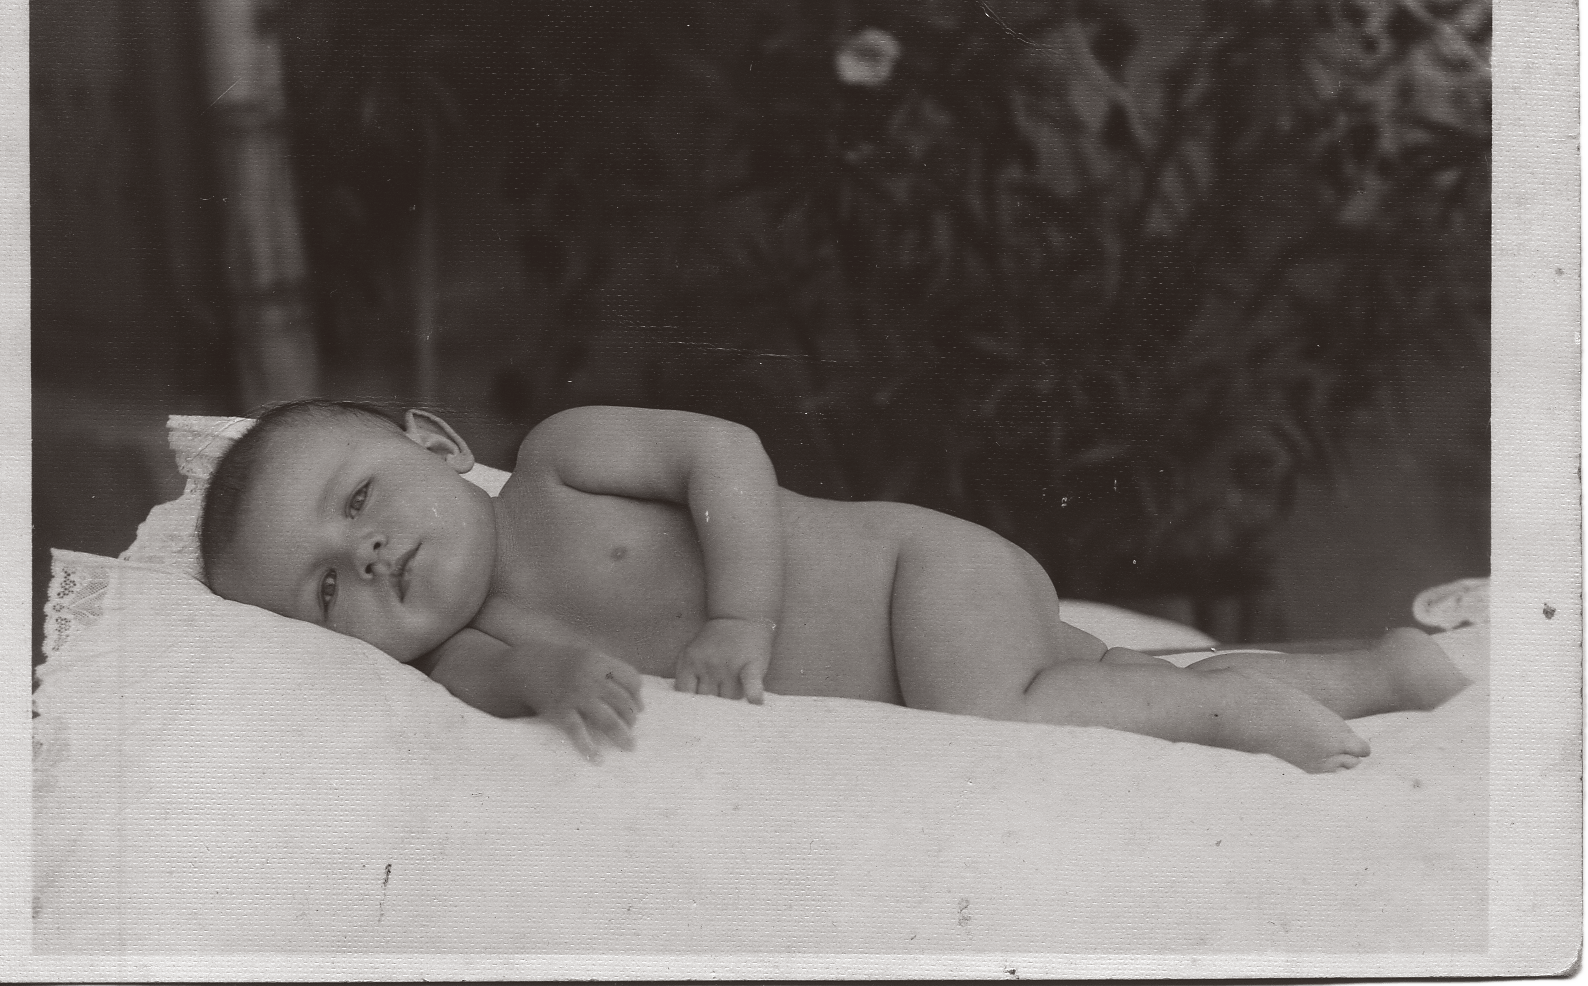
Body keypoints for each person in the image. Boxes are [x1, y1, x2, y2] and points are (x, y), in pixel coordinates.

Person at [201, 399, 1470, 771]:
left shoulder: (557, 462)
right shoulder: (460, 657)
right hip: (943, 647)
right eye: (324, 588)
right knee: (1109, 680)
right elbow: (518, 684)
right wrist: (556, 675)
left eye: (359, 499)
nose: (362, 556)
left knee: (1007, 718)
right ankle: (1385, 672)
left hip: (922, 579)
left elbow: (726, 453)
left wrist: (741, 612)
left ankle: (1228, 714)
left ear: (434, 444)